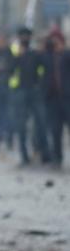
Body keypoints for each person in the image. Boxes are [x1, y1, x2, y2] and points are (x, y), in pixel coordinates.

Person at [11, 27, 48, 164]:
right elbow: (10, 69)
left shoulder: (35, 53)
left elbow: (45, 66)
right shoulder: (15, 53)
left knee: (41, 124)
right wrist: (17, 57)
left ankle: (45, 154)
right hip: (20, 91)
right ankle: (24, 155)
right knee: (21, 126)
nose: (24, 38)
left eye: (27, 36)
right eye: (22, 36)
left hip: (34, 90)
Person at [42, 32, 69, 167]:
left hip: (67, 98)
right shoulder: (47, 57)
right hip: (53, 99)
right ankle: (57, 158)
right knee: (55, 130)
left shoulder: (67, 55)